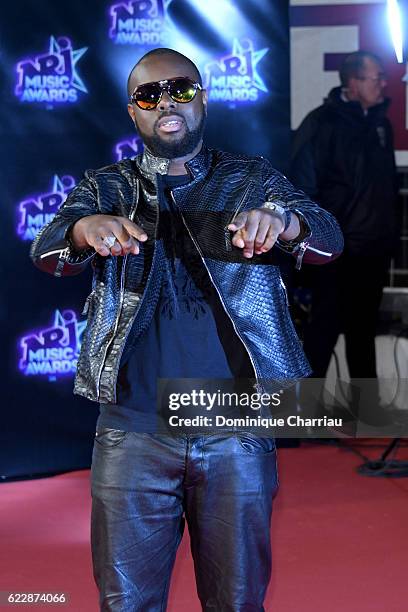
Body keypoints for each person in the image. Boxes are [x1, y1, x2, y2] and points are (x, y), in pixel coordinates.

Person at [31, 48, 343, 612]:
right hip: (132, 434)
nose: (166, 104)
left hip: (236, 434)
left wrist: (283, 220)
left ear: (202, 97)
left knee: (237, 601)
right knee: (125, 603)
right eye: (150, 96)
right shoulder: (108, 187)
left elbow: (326, 237)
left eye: (180, 89)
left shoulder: (250, 178)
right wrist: (84, 227)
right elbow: (49, 248)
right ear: (134, 114)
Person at [290, 51, 398, 385]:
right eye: (375, 77)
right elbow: (301, 188)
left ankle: (365, 418)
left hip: (373, 250)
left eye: (381, 77)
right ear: (353, 82)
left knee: (363, 333)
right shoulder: (321, 123)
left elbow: (388, 186)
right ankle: (303, 420)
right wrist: (318, 240)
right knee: (322, 331)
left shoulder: (381, 124)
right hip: (335, 252)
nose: (382, 83)